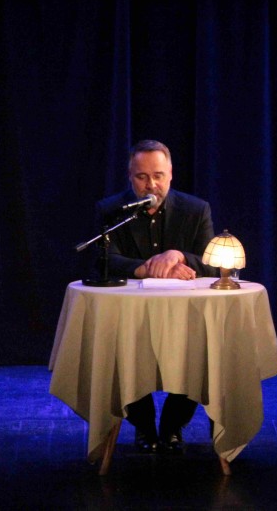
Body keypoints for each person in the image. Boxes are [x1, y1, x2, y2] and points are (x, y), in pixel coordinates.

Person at [92, 139, 218, 453]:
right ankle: (144, 427)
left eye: (158, 176)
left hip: (185, 315)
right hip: (130, 315)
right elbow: (104, 261)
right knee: (121, 354)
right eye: (142, 177)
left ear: (171, 174)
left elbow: (212, 263)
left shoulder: (196, 209)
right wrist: (148, 268)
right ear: (129, 176)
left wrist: (178, 256)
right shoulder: (111, 210)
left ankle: (173, 425)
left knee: (198, 352)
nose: (151, 185)